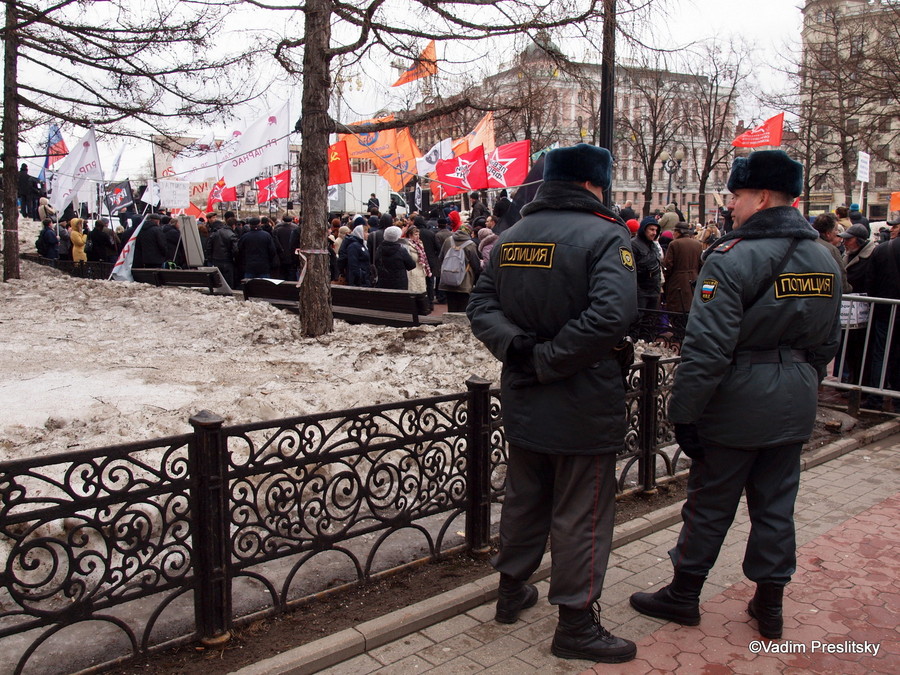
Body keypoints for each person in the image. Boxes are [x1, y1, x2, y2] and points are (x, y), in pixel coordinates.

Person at [630, 150, 842, 641]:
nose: (731, 206)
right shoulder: (825, 256)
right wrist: (801, 378)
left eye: (737, 196)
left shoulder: (730, 257)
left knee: (710, 503)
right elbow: (829, 338)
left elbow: (707, 349)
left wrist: (683, 413)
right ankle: (770, 606)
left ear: (763, 197)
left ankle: (683, 595)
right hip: (795, 397)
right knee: (776, 504)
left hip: (737, 400)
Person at [467, 143, 638, 664]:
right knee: (581, 512)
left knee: (525, 498)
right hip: (581, 397)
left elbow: (481, 305)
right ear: (593, 184)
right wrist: (549, 358)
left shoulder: (513, 235)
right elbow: (612, 315)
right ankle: (576, 624)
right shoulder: (608, 236)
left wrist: (520, 349)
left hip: (525, 395)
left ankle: (511, 591)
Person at [663, 222, 703, 335]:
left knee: (677, 309)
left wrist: (665, 281)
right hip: (693, 280)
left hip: (677, 281)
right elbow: (701, 264)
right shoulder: (698, 244)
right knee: (690, 308)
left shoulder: (674, 244)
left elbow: (668, 265)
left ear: (678, 232)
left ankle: (678, 335)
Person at [631, 216, 662, 340]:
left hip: (653, 287)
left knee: (651, 318)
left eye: (656, 230)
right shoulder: (634, 244)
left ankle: (647, 341)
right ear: (644, 229)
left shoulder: (653, 245)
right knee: (638, 319)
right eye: (651, 229)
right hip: (640, 287)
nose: (654, 233)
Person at [438, 223, 481, 312]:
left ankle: (450, 325)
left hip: (447, 279)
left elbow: (440, 257)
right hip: (464, 282)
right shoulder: (471, 244)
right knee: (463, 308)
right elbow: (475, 264)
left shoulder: (448, 241)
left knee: (451, 307)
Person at [374, 225, 415, 290]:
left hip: (383, 283)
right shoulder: (401, 250)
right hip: (399, 283)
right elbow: (411, 265)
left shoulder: (379, 249)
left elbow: (376, 263)